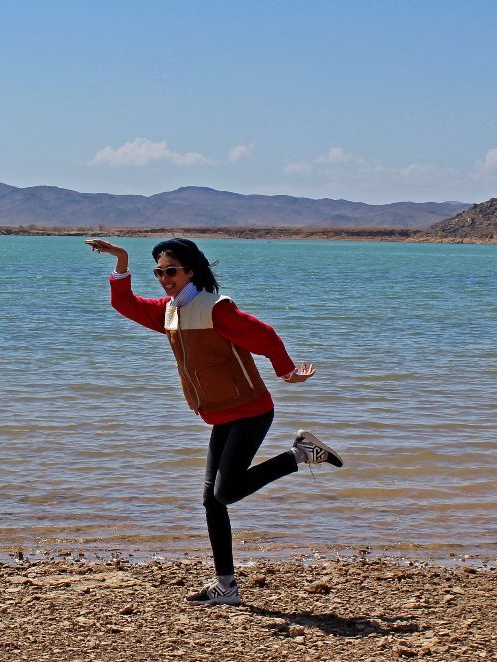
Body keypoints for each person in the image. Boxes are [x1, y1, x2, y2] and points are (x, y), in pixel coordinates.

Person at [85, 237, 343, 606]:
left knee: (225, 493)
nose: (164, 279)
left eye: (171, 271)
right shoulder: (170, 312)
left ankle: (300, 454)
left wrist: (286, 373)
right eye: (159, 272)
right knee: (212, 501)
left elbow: (265, 336)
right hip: (222, 413)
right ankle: (226, 586)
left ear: (190, 272)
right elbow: (125, 304)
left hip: (251, 410)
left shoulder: (215, 309)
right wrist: (122, 260)